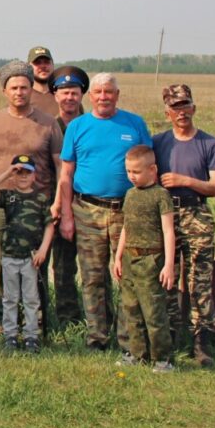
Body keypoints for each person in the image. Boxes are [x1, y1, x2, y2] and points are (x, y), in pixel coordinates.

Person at [57, 72, 152, 350]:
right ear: (91, 96)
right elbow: (66, 174)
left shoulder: (134, 124)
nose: (103, 97)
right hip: (87, 211)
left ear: (117, 95)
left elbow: (148, 166)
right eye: (98, 92)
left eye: (108, 92)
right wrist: (66, 214)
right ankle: (97, 336)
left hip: (127, 211)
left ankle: (128, 337)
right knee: (92, 277)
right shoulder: (78, 127)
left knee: (128, 276)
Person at [0, 61, 62, 332]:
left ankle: (39, 322)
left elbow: (60, 164)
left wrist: (57, 201)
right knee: (2, 261)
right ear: (4, 91)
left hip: (36, 204)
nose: (19, 92)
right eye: (14, 87)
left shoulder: (48, 123)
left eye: (24, 87)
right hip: (1, 205)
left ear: (32, 89)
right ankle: (3, 320)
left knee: (37, 263)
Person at [152, 83, 215, 366]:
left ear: (194, 108)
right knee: (167, 277)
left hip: (197, 214)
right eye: (175, 107)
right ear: (167, 112)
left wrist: (185, 181)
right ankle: (168, 336)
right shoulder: (158, 143)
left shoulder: (210, 143)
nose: (181, 112)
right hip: (166, 215)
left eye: (185, 105)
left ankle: (201, 341)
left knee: (199, 281)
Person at [113, 145, 176, 372]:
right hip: (130, 258)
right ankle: (137, 354)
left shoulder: (161, 195)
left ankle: (162, 358)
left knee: (153, 310)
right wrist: (119, 257)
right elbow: (126, 228)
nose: (132, 176)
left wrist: (168, 265)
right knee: (131, 308)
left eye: (136, 172)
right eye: (129, 171)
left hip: (151, 260)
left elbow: (168, 231)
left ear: (153, 169)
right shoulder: (129, 195)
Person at [0, 155, 55, 353]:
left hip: (31, 258)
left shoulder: (41, 198)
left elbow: (49, 226)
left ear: (34, 175)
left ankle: (32, 336)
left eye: (27, 172)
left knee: (31, 299)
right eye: (20, 172)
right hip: (10, 256)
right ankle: (10, 335)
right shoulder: (9, 196)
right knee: (10, 298)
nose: (23, 176)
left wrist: (43, 250)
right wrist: (8, 172)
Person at [48, 65, 88, 327]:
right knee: (62, 267)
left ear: (82, 94)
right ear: (55, 96)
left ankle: (101, 319)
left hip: (88, 204)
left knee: (94, 266)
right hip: (57, 204)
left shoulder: (93, 124)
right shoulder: (49, 127)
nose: (69, 98)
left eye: (73, 92)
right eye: (64, 92)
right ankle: (67, 320)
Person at [27, 46, 59, 118]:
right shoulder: (23, 96)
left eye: (46, 62)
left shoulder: (64, 96)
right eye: (37, 63)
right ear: (29, 67)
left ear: (53, 65)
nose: (43, 66)